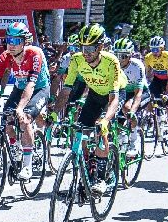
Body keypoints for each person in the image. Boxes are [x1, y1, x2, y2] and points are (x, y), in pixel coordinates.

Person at [0, 24, 51, 170]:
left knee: (25, 119)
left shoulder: (34, 53)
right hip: (19, 88)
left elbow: (31, 84)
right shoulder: (5, 56)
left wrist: (21, 108)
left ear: (25, 41)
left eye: (16, 41)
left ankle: (27, 166)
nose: (11, 45)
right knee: (8, 121)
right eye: (9, 40)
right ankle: (17, 148)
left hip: (39, 88)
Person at [53, 24, 125, 157]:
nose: (85, 52)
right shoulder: (76, 59)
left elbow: (114, 99)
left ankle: (103, 169)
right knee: (80, 131)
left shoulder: (111, 61)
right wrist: (55, 113)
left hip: (115, 94)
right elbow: (66, 90)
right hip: (95, 93)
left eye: (90, 48)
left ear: (101, 47)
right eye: (82, 47)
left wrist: (105, 120)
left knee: (101, 129)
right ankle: (87, 164)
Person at [143, 36, 168, 103]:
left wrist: (166, 94)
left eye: (156, 50)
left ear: (162, 48)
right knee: (150, 98)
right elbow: (148, 74)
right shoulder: (148, 57)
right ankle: (151, 113)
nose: (154, 52)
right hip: (157, 78)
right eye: (152, 50)